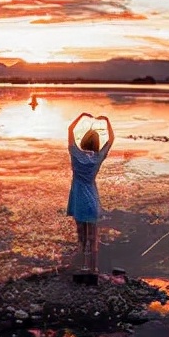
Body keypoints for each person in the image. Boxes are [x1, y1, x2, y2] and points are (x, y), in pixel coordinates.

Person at [66, 112, 113, 276]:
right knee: (93, 240)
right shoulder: (98, 157)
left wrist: (81, 116)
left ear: (84, 141)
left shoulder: (75, 153)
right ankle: (93, 270)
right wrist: (106, 121)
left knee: (81, 238)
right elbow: (111, 140)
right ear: (97, 143)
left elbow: (70, 130)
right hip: (91, 201)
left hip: (78, 201)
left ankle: (81, 267)